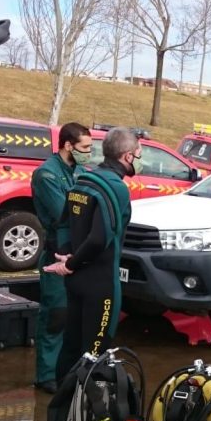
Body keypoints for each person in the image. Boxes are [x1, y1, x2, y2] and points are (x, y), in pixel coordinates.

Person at [46, 127, 137, 382]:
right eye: (137, 155)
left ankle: (61, 412)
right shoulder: (117, 188)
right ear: (127, 156)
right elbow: (99, 238)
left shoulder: (83, 181)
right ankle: (86, 415)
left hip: (75, 282)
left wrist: (66, 258)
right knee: (95, 354)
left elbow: (63, 224)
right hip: (101, 284)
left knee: (71, 346)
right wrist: (72, 262)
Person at [30, 122, 91, 393]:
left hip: (78, 252)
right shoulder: (47, 175)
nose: (89, 153)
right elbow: (65, 213)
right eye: (85, 147)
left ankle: (66, 368)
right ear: (68, 145)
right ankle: (46, 375)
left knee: (74, 316)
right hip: (57, 251)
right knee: (56, 314)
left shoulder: (79, 171)